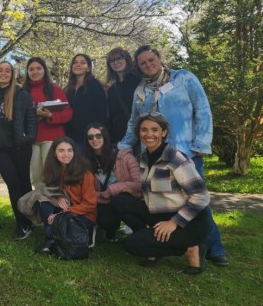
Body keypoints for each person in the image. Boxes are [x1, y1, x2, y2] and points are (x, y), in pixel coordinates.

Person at [118, 45, 229, 267]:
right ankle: (160, 242)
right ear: (138, 67)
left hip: (185, 151)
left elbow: (203, 109)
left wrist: (202, 142)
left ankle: (214, 248)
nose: (148, 65)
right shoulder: (140, 90)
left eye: (151, 60)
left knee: (195, 201)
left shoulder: (184, 78)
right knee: (160, 201)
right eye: (143, 63)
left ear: (159, 58)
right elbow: (134, 121)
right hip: (154, 155)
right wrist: (124, 145)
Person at [124, 114, 211, 275]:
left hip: (190, 222)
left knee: (133, 244)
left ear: (163, 132)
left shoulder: (175, 158)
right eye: (144, 130)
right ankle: (155, 240)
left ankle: (191, 248)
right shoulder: (142, 158)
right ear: (139, 134)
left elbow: (201, 195)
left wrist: (174, 222)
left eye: (154, 130)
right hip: (160, 214)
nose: (149, 134)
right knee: (120, 201)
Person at [0, 61, 37, 240]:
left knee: (24, 185)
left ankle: (30, 220)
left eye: (8, 71)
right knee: (13, 185)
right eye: (1, 70)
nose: (4, 73)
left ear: (12, 74)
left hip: (21, 147)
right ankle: (21, 224)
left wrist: (27, 138)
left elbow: (31, 121)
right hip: (1, 150)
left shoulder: (22, 95)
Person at [18, 137, 97, 254]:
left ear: (74, 152)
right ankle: (54, 238)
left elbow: (90, 204)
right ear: (54, 153)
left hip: (83, 214)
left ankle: (56, 239)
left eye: (70, 150)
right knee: (43, 202)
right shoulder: (54, 170)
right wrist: (58, 196)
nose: (66, 154)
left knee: (57, 230)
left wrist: (63, 213)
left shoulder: (85, 174)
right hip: (64, 209)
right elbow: (51, 189)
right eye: (61, 151)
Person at [83, 123, 142, 241]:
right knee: (106, 221)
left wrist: (111, 190)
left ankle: (140, 233)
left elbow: (139, 184)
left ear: (105, 136)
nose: (95, 139)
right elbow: (87, 191)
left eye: (98, 136)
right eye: (90, 137)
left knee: (119, 200)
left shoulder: (124, 157)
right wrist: (102, 196)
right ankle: (110, 231)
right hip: (103, 200)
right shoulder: (86, 161)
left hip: (126, 199)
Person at [22, 57, 73, 190]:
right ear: (27, 72)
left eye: (38, 68)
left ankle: (58, 208)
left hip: (52, 138)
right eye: (31, 69)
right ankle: (42, 208)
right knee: (37, 178)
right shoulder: (22, 92)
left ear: (44, 70)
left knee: (53, 177)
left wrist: (50, 115)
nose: (35, 72)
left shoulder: (55, 89)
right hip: (31, 139)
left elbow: (68, 113)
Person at [64, 54, 108, 151]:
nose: (78, 65)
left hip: (90, 137)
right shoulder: (68, 89)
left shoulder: (94, 85)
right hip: (71, 137)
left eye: (82, 63)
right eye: (75, 62)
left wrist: (100, 134)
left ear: (88, 68)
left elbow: (102, 112)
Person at [104, 48, 141, 144]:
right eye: (112, 60)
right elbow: (112, 116)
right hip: (119, 137)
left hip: (139, 133)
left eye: (119, 58)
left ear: (126, 59)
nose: (115, 62)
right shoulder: (112, 89)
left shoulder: (139, 80)